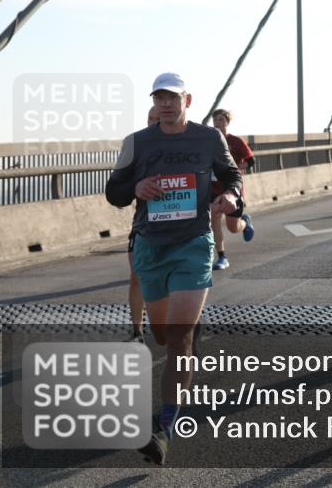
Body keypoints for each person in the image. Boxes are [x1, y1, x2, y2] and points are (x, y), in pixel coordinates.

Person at [106, 72, 243, 465]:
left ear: (188, 99)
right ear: (154, 102)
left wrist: (231, 195)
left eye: (173, 97)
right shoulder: (136, 142)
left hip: (193, 245)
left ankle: (164, 429)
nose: (166, 104)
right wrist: (135, 188)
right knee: (163, 337)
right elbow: (113, 191)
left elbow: (231, 175)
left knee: (180, 341)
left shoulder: (208, 138)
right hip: (151, 247)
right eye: (159, 98)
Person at [125, 106, 160, 343]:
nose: (153, 122)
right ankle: (137, 330)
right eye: (150, 118)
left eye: (158, 118)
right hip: (142, 225)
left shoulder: (184, 146)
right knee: (136, 276)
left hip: (178, 228)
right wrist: (127, 192)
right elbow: (119, 186)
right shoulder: (136, 146)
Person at [209, 109, 256, 270]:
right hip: (213, 189)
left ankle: (245, 222)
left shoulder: (235, 141)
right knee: (214, 220)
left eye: (221, 120)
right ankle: (222, 257)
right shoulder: (207, 141)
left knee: (233, 228)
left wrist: (240, 166)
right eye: (215, 119)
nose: (217, 123)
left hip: (231, 190)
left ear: (227, 122)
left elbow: (251, 160)